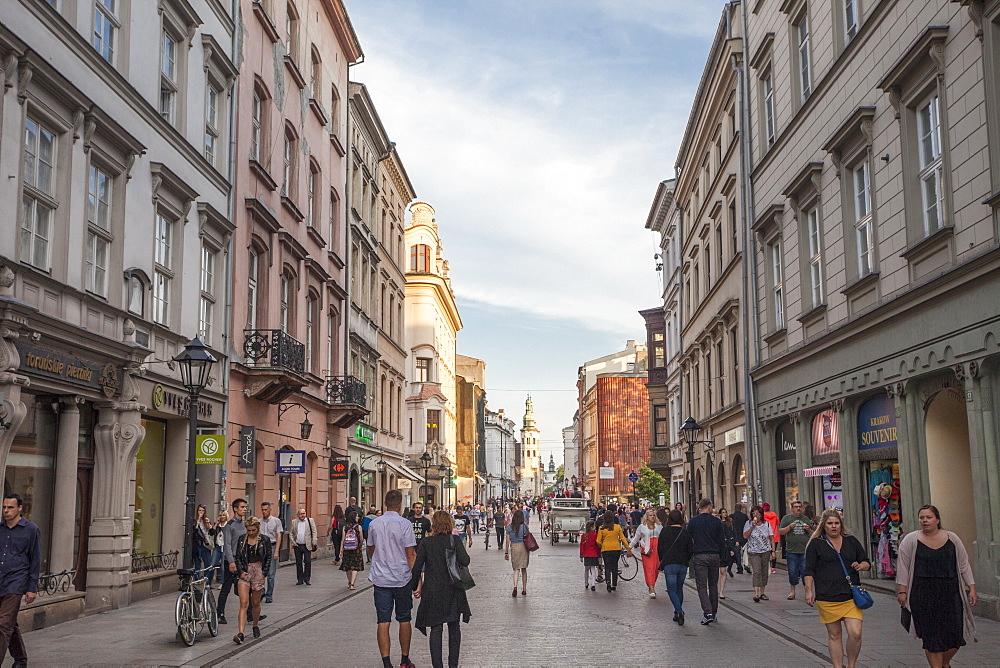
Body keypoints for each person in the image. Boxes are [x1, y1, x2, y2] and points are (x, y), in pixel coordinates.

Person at [896, 505, 977, 668]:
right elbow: (903, 567)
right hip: (923, 594)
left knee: (955, 637)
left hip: (950, 593)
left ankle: (944, 663)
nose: (924, 520)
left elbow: (963, 564)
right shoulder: (911, 540)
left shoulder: (952, 538)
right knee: (932, 637)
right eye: (922, 517)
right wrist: (902, 591)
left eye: (928, 517)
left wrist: (972, 587)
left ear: (937, 520)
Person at [804, 510, 871, 668]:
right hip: (827, 596)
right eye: (830, 523)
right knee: (835, 635)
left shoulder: (851, 541)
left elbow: (866, 561)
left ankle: (851, 664)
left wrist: (861, 566)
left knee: (855, 633)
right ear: (824, 525)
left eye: (836, 523)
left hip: (850, 596)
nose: (833, 526)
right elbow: (809, 570)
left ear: (841, 524)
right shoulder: (816, 544)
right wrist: (808, 590)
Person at [410, 511, 472, 668]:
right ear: (450, 523)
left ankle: (437, 665)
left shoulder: (426, 542)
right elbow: (465, 561)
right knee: (454, 627)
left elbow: (417, 567)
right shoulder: (454, 540)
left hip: (433, 590)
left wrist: (414, 586)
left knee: (436, 628)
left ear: (434, 525)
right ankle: (453, 664)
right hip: (453, 589)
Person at [367, 490, 418, 668]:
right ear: (400, 504)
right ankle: (404, 659)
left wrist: (379, 558)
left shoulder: (375, 524)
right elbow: (411, 554)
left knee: (383, 620)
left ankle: (386, 662)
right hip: (401, 577)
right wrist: (418, 579)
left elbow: (370, 549)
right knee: (404, 618)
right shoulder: (405, 524)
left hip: (381, 578)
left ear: (385, 503)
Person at [0, 493, 40, 666]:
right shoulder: (0, 529)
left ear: (20, 508)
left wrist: (32, 588)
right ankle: (21, 660)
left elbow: (35, 560)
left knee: (3, 625)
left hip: (16, 582)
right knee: (10, 623)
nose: (6, 511)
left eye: (10, 507)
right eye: (4, 507)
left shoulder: (31, 530)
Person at [687, 498, 727, 625]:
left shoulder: (693, 522)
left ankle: (708, 612)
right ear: (709, 507)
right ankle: (713, 613)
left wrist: (691, 553)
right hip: (714, 555)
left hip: (700, 556)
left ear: (700, 507)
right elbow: (722, 541)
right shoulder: (717, 522)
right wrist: (721, 556)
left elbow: (689, 540)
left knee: (702, 586)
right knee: (713, 585)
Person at [232, 516, 271, 643]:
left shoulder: (264, 540)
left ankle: (255, 625)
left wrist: (264, 572)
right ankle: (240, 633)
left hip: (258, 570)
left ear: (257, 529)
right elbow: (237, 556)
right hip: (245, 570)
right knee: (244, 603)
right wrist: (240, 572)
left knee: (255, 603)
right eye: (248, 530)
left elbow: (268, 557)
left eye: (253, 530)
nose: (251, 533)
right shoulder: (242, 539)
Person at [658, 509, 693, 625]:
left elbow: (660, 548)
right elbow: (690, 549)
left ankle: (679, 611)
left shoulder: (665, 531)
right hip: (682, 564)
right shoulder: (685, 532)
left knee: (671, 589)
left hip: (669, 564)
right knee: (679, 589)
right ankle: (676, 613)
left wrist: (662, 560)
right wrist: (686, 559)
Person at [217, 498, 247, 625]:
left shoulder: (245, 524)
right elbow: (227, 545)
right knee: (226, 588)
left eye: (245, 507)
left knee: (246, 586)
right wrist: (231, 561)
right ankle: (219, 613)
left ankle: (249, 613)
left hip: (242, 559)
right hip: (232, 559)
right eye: (242, 507)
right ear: (235, 509)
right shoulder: (230, 526)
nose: (244, 509)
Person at [779, 500, 816, 600]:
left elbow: (814, 533)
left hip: (804, 550)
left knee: (805, 572)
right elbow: (781, 531)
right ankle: (793, 591)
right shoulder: (787, 518)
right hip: (791, 550)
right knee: (792, 572)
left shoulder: (805, 519)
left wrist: (808, 529)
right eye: (796, 507)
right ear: (792, 508)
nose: (798, 508)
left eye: (800, 507)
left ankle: (807, 592)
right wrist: (789, 527)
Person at [743, 505, 773, 602]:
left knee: (764, 572)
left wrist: (773, 551)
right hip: (754, 551)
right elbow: (745, 536)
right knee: (756, 571)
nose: (755, 515)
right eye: (753, 513)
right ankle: (756, 593)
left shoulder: (767, 524)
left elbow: (771, 538)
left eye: (757, 513)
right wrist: (752, 526)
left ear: (761, 514)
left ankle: (762, 592)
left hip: (765, 551)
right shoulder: (748, 523)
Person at [629, 509, 661, 598]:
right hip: (647, 550)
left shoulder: (659, 526)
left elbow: (663, 538)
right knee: (649, 569)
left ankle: (651, 585)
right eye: (650, 515)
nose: (652, 517)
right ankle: (652, 588)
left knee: (656, 569)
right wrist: (629, 548)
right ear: (646, 517)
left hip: (657, 550)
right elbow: (636, 538)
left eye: (654, 515)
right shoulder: (642, 527)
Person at [596, 511, 629, 593]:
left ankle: (608, 582)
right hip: (616, 548)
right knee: (615, 566)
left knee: (607, 566)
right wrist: (628, 548)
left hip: (606, 549)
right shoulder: (617, 527)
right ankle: (614, 584)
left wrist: (602, 546)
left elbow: (598, 541)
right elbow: (623, 538)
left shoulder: (601, 528)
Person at [258, 501, 282, 602]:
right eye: (262, 510)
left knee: (271, 574)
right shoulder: (258, 522)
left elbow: (279, 536)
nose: (264, 512)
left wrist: (276, 551)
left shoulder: (276, 521)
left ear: (270, 509)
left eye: (266, 510)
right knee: (261, 572)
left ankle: (269, 595)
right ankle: (262, 591)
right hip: (261, 548)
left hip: (271, 547)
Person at [504, 509, 531, 596]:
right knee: (524, 569)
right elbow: (527, 536)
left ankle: (515, 586)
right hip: (523, 547)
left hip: (514, 547)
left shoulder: (509, 527)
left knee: (516, 569)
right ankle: (524, 589)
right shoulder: (524, 526)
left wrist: (506, 552)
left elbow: (508, 540)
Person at [289, 508, 317, 586]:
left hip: (307, 545)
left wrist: (314, 541)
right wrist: (293, 542)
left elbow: (314, 531)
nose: (302, 515)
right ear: (298, 515)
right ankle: (300, 579)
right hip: (297, 545)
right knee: (298, 563)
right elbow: (291, 533)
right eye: (301, 514)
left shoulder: (310, 521)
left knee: (307, 562)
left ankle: (307, 579)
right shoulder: (294, 522)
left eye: (304, 513)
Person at [339, 508, 365, 589]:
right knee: (355, 566)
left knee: (348, 567)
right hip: (356, 549)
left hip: (347, 549)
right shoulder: (358, 527)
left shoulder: (345, 527)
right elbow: (361, 538)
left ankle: (350, 581)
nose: (358, 518)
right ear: (354, 517)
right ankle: (352, 584)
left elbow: (343, 539)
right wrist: (360, 545)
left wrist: (341, 550)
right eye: (357, 517)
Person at [192, 504, 215, 586]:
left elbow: (212, 533)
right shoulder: (194, 521)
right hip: (197, 545)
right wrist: (197, 521)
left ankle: (206, 582)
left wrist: (209, 524)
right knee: (197, 564)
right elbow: (194, 531)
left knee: (208, 564)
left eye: (203, 510)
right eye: (199, 510)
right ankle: (197, 581)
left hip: (205, 545)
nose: (201, 512)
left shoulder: (206, 521)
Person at [717, 508, 736, 598]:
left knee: (723, 570)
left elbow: (728, 537)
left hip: (724, 549)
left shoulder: (727, 524)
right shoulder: (716, 524)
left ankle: (721, 592)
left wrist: (731, 549)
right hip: (715, 550)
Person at [579, 520, 600, 591]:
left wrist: (581, 555)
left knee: (586, 569)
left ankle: (586, 583)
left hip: (587, 554)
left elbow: (582, 546)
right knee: (593, 569)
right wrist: (599, 555)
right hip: (594, 554)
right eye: (594, 526)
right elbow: (597, 546)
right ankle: (593, 583)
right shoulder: (595, 535)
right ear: (591, 527)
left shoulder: (584, 536)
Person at [730, 503, 749, 574]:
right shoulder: (744, 516)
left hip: (736, 537)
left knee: (737, 553)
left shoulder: (731, 516)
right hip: (744, 536)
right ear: (741, 508)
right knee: (746, 552)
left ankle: (739, 567)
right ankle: (746, 564)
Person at [762, 502, 780, 573]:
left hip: (766, 536)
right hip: (775, 535)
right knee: (773, 551)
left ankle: (767, 566)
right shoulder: (774, 515)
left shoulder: (763, 516)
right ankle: (773, 567)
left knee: (766, 552)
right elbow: (778, 523)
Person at [212, 511, 228, 589]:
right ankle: (208, 582)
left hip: (224, 547)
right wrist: (216, 524)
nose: (222, 517)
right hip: (218, 546)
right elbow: (211, 532)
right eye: (220, 515)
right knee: (212, 564)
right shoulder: (217, 525)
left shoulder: (228, 525)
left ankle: (222, 583)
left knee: (223, 566)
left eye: (223, 515)